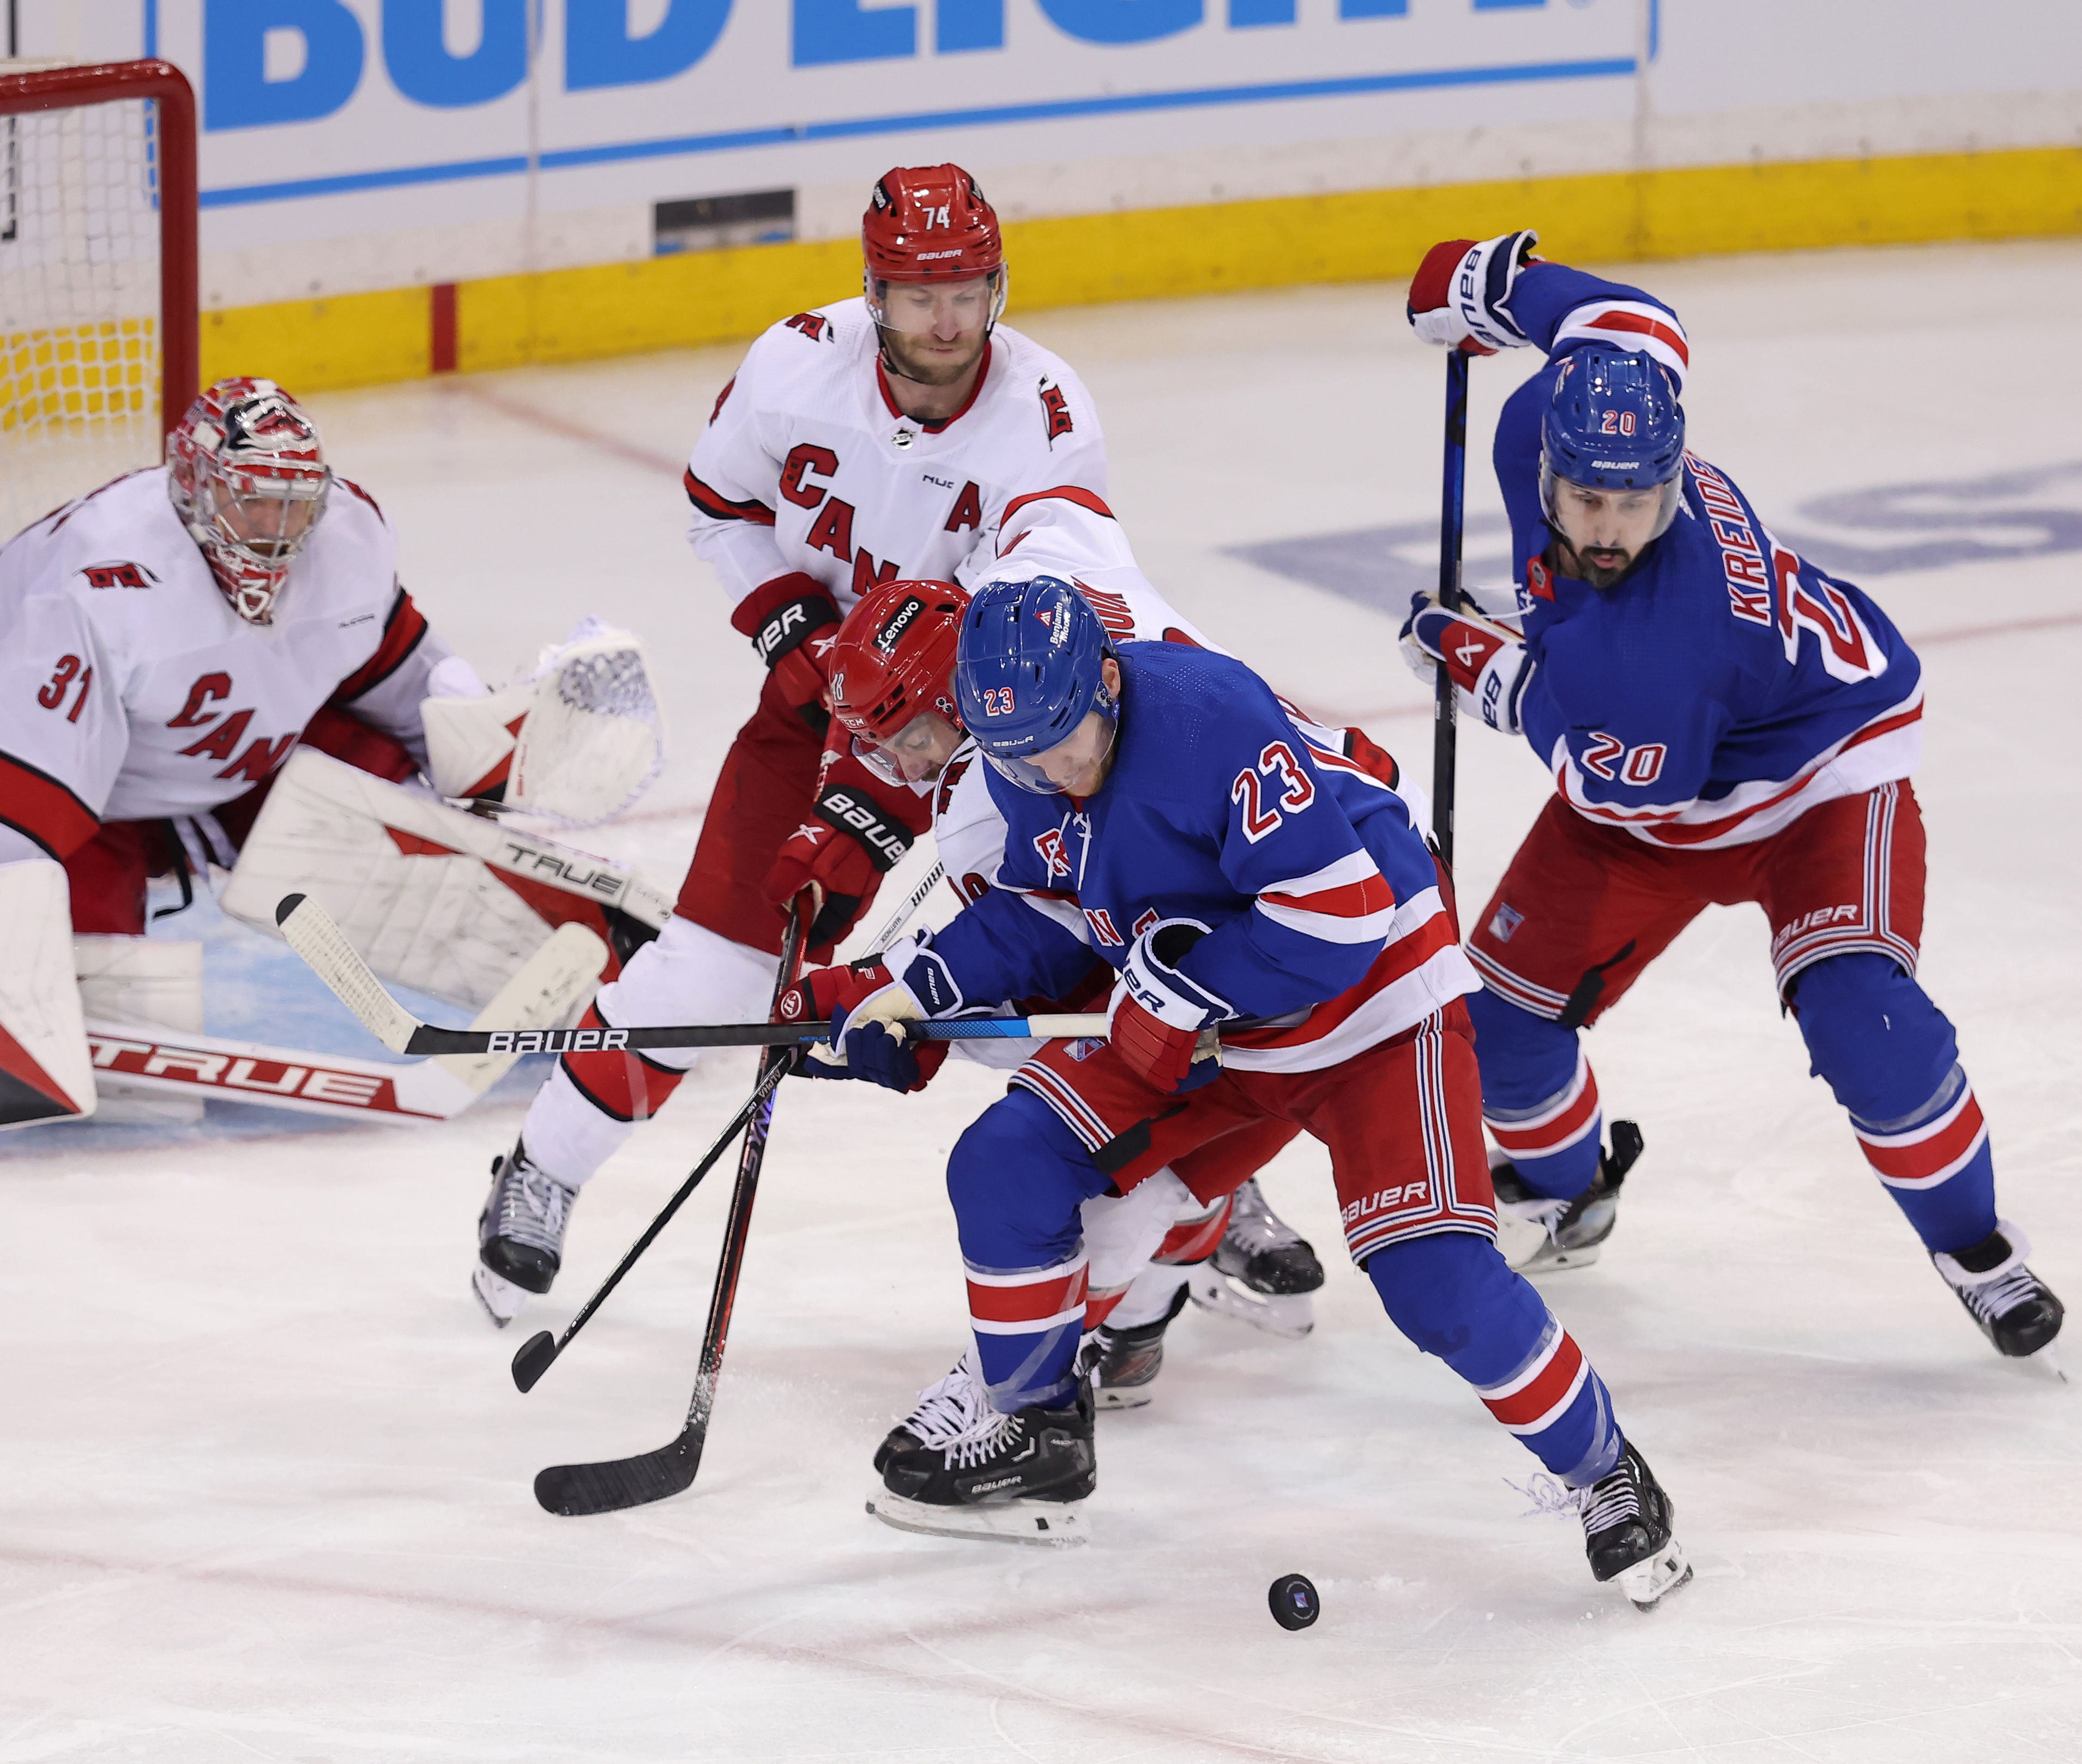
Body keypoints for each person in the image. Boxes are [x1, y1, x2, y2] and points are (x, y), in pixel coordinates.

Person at [789, 577, 1691, 1604]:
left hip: (1372, 1006)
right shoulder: (1025, 748)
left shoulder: (1203, 720)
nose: (1044, 772)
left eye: (1056, 744)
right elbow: (1047, 909)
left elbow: (1340, 918)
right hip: (1219, 1026)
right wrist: (913, 993)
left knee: (1431, 1279)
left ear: (1105, 682)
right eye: (1016, 757)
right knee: (1006, 1165)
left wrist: (1179, 986)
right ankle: (1036, 1432)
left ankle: (1603, 1472)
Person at [473, 164, 1126, 1324]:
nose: (948, 319)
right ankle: (545, 1168)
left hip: (989, 744)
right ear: (873, 292)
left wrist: (902, 773)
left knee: (1060, 985)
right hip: (823, 701)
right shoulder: (792, 364)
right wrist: (797, 632)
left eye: (970, 289)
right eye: (921, 293)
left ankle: (1192, 1203)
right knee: (710, 971)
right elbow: (718, 504)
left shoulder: (1046, 413)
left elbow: (1052, 596)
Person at [1398, 232, 2063, 1360]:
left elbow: (1609, 784)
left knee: (1866, 1019)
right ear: (1548, 459)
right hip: (1658, 769)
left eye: (1637, 504)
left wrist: (1492, 669)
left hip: (1817, 779)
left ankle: (1977, 1247)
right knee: (1498, 1031)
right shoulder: (1544, 419)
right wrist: (1500, 289)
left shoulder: (1666, 641)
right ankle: (1566, 1190)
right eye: (1586, 499)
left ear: (1672, 482)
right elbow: (1633, 321)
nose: (1607, 531)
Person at [788, 579, 1324, 1409]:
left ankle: (1041, 1389)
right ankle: (1166, 1276)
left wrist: (902, 1001)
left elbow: (1050, 962)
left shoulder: (1021, 768)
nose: (900, 765)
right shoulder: (1041, 693)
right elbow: (1047, 946)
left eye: (911, 735)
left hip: (1296, 962)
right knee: (1102, 1135)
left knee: (1116, 1175)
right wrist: (892, 997)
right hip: (1229, 949)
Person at [0, 377, 482, 925]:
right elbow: (2, 793)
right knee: (90, 958)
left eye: (295, 503)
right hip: (27, 743)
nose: (276, 529)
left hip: (206, 743)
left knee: (393, 828)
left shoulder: (349, 537)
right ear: (193, 487)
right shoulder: (112, 582)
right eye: (253, 502)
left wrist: (489, 775)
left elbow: (404, 681)